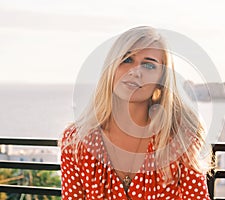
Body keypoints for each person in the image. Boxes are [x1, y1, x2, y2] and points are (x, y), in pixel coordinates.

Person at [60, 26, 212, 199]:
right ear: (111, 68)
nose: (135, 72)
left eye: (148, 65)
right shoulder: (77, 141)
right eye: (127, 60)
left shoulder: (180, 138)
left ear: (161, 79)